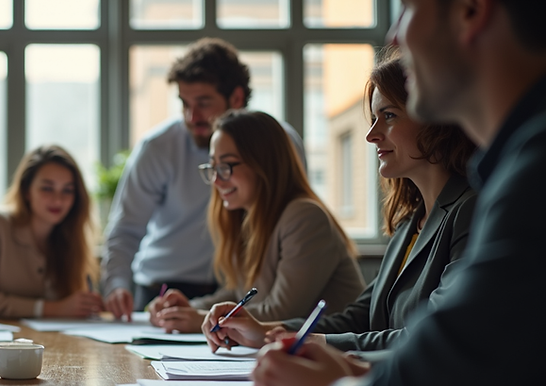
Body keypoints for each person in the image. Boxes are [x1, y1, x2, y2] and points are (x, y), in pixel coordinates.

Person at [251, 0, 546, 386]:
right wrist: (277, 336)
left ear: (472, 11)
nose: (394, 35)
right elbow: (382, 327)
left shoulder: (529, 178)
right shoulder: (508, 171)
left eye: (408, 9)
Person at [203, 49, 477, 352]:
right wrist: (267, 333)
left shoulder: (469, 212)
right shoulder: (409, 223)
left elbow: (431, 338)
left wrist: (310, 342)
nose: (371, 135)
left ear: (434, 119)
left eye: (389, 116)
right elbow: (358, 318)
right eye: (374, 119)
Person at [102, 37, 306, 319]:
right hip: (165, 288)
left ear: (235, 98)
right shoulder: (158, 147)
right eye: (184, 103)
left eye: (203, 103)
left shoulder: (281, 144)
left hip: (245, 287)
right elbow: (126, 228)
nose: (191, 116)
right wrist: (116, 284)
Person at [148, 110, 363, 333]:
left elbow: (281, 313)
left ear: (265, 163)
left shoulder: (305, 217)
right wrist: (182, 311)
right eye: (213, 167)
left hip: (340, 357)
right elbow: (238, 295)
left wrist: (200, 319)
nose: (216, 180)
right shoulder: (247, 216)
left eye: (226, 166)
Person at [0, 145, 102, 319]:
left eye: (67, 190)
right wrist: (53, 308)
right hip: (1, 342)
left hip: (51, 340)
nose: (58, 199)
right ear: (26, 190)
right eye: (47, 188)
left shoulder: (72, 239)